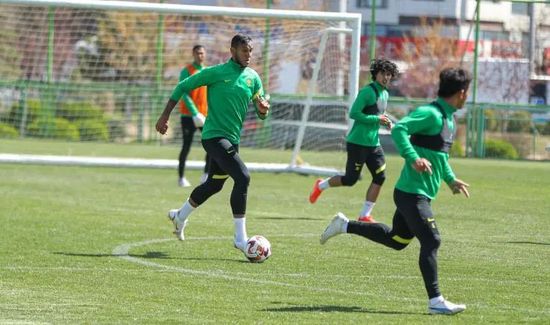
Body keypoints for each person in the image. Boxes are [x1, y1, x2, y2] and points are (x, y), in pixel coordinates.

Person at [319, 67, 472, 315]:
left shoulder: (448, 119)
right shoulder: (431, 114)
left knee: (397, 240)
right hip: (411, 193)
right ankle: (436, 302)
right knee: (432, 240)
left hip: (415, 192)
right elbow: (400, 130)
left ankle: (344, 225)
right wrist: (412, 158)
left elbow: (439, 157)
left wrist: (451, 180)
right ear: (462, 93)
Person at [156, 34, 270, 252]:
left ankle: (180, 216)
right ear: (233, 51)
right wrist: (164, 116)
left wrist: (263, 110)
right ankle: (240, 239)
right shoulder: (216, 73)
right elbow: (182, 87)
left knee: (215, 185)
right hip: (213, 137)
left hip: (232, 140)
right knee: (243, 177)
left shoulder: (253, 78)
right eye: (244, 50)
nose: (249, 55)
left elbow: (260, 107)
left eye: (251, 51)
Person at [309, 58, 398, 223]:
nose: (386, 77)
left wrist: (387, 123)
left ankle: (365, 215)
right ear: (375, 74)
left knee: (381, 177)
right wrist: (377, 119)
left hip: (374, 144)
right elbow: (354, 114)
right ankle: (321, 185)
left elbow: (378, 116)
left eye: (389, 75)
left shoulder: (385, 93)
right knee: (350, 180)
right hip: (358, 143)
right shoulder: (367, 92)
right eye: (383, 74)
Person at [177, 44, 209, 187]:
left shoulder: (209, 72)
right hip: (188, 116)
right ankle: (181, 177)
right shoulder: (187, 71)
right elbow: (183, 92)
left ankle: (206, 174)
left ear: (205, 54)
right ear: (193, 54)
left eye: (202, 53)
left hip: (205, 116)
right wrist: (194, 113)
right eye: (197, 53)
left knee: (211, 145)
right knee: (186, 146)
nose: (200, 55)